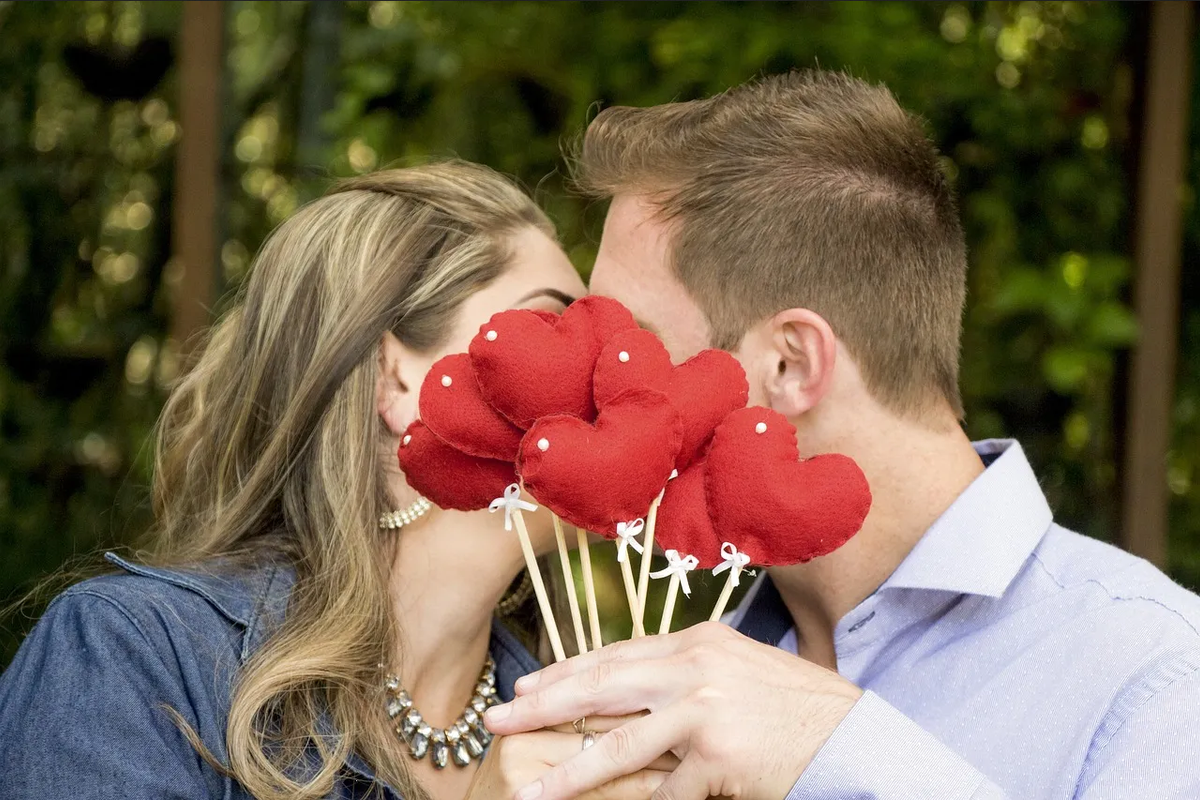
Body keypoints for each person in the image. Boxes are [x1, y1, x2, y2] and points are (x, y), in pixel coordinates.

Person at [483, 70, 1200, 799]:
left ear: (792, 365)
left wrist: (840, 752)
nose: (598, 389)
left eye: (637, 341)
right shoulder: (675, 681)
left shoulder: (1156, 676)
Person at [0, 162, 665, 800]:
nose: (612, 373)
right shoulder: (136, 662)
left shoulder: (578, 711)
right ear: (396, 379)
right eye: (555, 326)